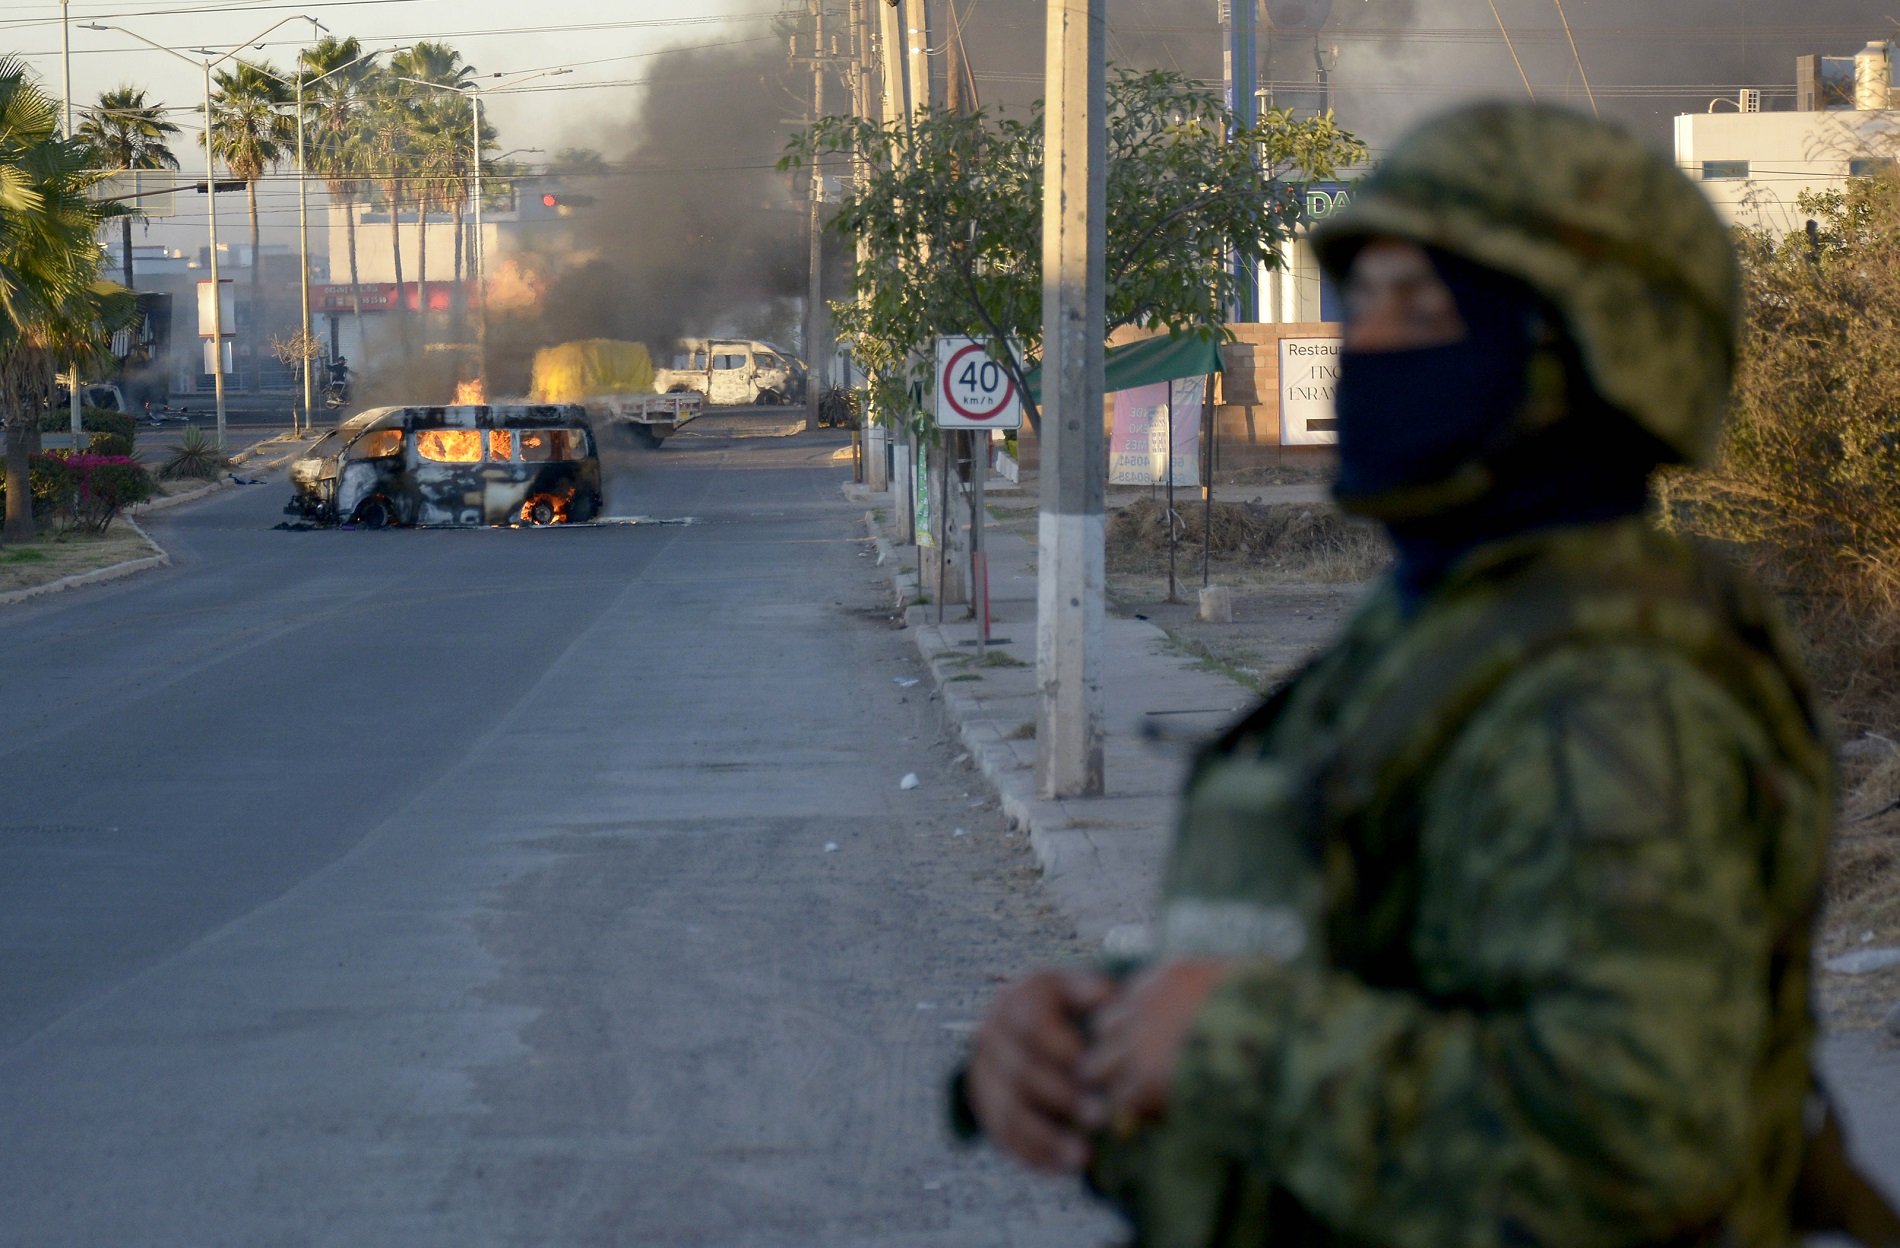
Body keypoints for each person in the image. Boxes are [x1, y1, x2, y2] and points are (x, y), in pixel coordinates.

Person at [958, 102, 1859, 1247]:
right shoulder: (1435, 633)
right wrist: (1088, 1041)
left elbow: (1647, 1133)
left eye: (1421, 308)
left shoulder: (1623, 696)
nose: (1368, 345)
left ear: (1586, 352)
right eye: (1362, 302)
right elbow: (1362, 962)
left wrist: (1239, 1040)